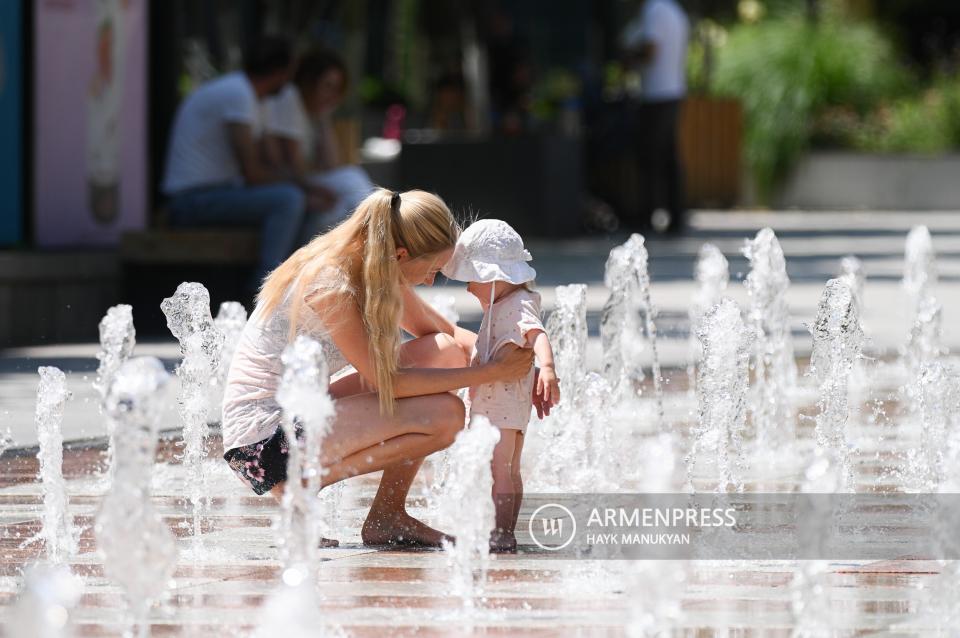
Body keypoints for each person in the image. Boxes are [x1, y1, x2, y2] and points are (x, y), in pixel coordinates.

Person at [221, 188, 539, 547]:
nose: (431, 281)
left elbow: (448, 336)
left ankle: (387, 516)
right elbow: (386, 382)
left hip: (295, 418)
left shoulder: (373, 262)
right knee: (445, 416)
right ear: (402, 254)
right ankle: (301, 484)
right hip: (261, 443)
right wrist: (491, 373)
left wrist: (522, 360)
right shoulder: (332, 283)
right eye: (432, 270)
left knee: (443, 351)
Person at [161, 36, 326, 290]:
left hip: (216, 193)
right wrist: (304, 188)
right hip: (190, 201)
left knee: (300, 200)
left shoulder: (249, 96)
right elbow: (254, 174)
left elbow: (268, 162)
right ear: (282, 71)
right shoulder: (238, 95)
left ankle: (296, 284)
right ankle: (266, 289)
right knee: (288, 199)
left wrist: (308, 187)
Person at [441, 219, 560, 552]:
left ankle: (503, 533)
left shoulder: (518, 304)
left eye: (471, 280)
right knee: (508, 469)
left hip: (504, 405)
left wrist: (547, 367)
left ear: (493, 276)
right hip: (505, 401)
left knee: (501, 470)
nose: (467, 288)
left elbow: (537, 334)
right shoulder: (504, 303)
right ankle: (503, 528)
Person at [263, 46, 375, 245]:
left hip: (299, 183)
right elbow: (295, 166)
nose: (332, 95)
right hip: (284, 183)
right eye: (327, 86)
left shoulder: (312, 113)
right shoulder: (290, 98)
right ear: (309, 81)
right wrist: (313, 190)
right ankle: (383, 238)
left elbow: (333, 164)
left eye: (337, 89)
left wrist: (324, 118)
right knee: (352, 180)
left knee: (339, 209)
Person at [622, 0, 690, 233]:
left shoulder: (654, 10)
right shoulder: (675, 10)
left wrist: (629, 56)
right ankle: (676, 216)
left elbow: (651, 50)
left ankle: (648, 216)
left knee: (650, 158)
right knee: (668, 157)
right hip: (673, 91)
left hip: (656, 94)